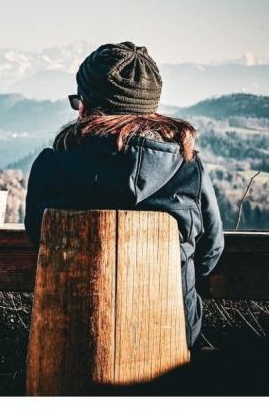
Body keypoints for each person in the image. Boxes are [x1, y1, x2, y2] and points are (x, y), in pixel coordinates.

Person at [24, 41, 224, 348]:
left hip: (72, 341)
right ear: (151, 108)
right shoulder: (188, 169)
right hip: (172, 338)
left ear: (87, 105)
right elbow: (209, 255)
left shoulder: (54, 165)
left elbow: (40, 238)